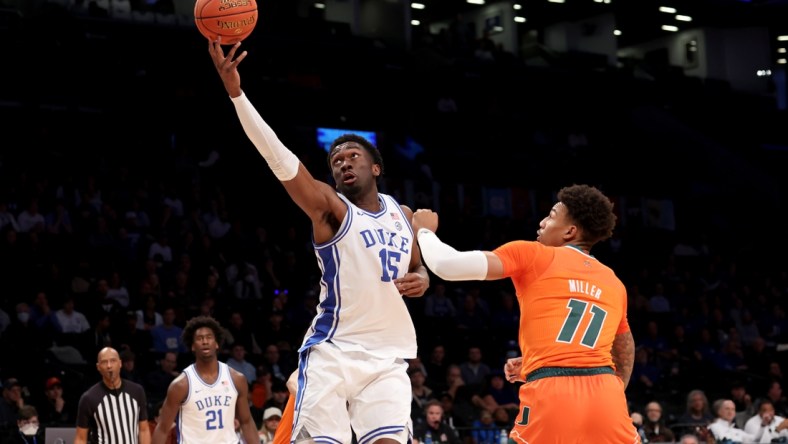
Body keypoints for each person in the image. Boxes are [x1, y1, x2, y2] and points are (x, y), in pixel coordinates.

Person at [207, 38, 430, 444]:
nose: (343, 162)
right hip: (333, 351)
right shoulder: (332, 209)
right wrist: (237, 94)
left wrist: (422, 275)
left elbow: (415, 264)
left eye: (352, 156)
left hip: (387, 357)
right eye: (336, 161)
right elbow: (279, 158)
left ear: (376, 167)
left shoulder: (404, 215)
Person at [412, 184, 639, 443]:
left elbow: (447, 265)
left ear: (570, 231)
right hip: (606, 396)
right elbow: (624, 346)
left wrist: (425, 231)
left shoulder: (535, 254)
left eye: (552, 215)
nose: (542, 222)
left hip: (552, 391)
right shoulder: (613, 281)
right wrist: (605, 388)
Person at [151, 315, 258, 444]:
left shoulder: (237, 379)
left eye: (209, 337)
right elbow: (162, 428)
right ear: (192, 346)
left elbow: (246, 422)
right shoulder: (181, 385)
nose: (205, 342)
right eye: (199, 338)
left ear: (217, 343)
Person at [74, 347, 151, 444]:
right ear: (98, 367)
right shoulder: (89, 398)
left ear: (120, 363)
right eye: (104, 362)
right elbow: (80, 438)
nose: (109, 366)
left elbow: (143, 429)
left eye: (113, 361)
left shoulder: (137, 391)